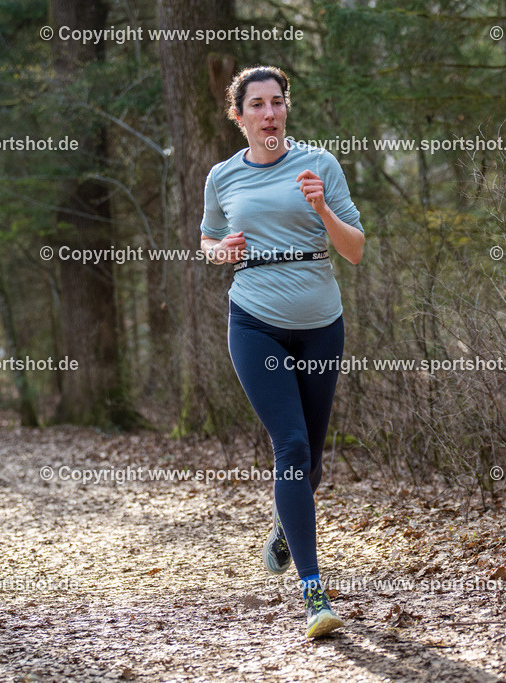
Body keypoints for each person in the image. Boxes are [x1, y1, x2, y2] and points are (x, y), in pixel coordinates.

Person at [200, 66, 365, 638]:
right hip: (254, 321)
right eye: (258, 105)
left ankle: (281, 533)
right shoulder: (222, 176)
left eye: (277, 103)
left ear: (286, 109)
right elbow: (208, 240)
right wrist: (220, 250)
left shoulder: (321, 165)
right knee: (290, 444)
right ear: (239, 115)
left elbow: (356, 251)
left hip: (321, 323)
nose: (269, 113)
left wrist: (323, 211)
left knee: (312, 463)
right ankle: (314, 591)